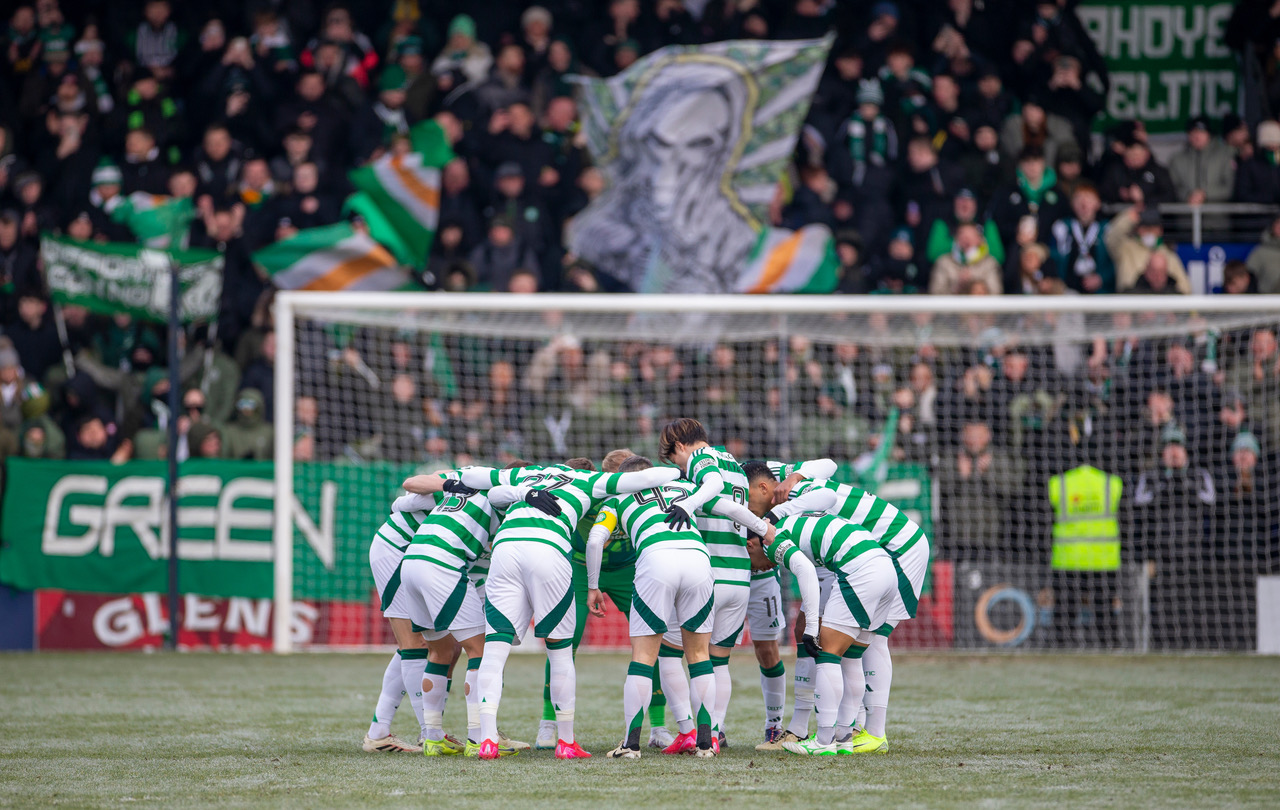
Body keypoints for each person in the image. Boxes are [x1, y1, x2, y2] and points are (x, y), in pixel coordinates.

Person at [459, 457, 681, 760]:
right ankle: (565, 741)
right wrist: (678, 470)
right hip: (549, 549)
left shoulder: (529, 473)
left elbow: (485, 484)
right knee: (561, 649)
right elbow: (652, 477)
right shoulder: (588, 481)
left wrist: (524, 493)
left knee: (494, 649)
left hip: (506, 548)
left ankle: (486, 740)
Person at [763, 460, 930, 753]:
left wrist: (794, 480)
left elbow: (828, 466)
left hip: (896, 545)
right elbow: (826, 467)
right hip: (860, 551)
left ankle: (870, 732)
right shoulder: (787, 483)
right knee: (836, 636)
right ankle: (838, 729)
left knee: (870, 638)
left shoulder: (784, 490)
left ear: (760, 486)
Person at [736, 462, 900, 757]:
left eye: (752, 563)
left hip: (859, 571)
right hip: (885, 567)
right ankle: (844, 739)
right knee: (852, 658)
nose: (757, 569)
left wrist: (812, 627)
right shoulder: (798, 512)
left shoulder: (772, 539)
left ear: (751, 545)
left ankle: (823, 741)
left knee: (827, 655)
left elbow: (807, 575)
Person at [1047, 459, 1124, 648]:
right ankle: (1112, 657)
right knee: (1105, 617)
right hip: (1104, 560)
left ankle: (1061, 656)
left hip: (1067, 559)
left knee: (1064, 618)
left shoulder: (1059, 483)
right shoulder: (1112, 483)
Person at [1104, 207, 1192, 294]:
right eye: (1145, 228)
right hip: (1131, 304)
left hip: (1161, 305)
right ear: (1137, 229)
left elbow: (1185, 289)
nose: (1149, 232)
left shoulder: (1169, 255)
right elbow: (1111, 238)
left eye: (1153, 228)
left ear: (1160, 231)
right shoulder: (1125, 249)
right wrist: (1128, 218)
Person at [1169, 115, 1236, 205]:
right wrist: (1188, 195)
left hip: (1217, 216)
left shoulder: (1225, 154)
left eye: (1201, 131)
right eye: (1192, 132)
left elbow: (1230, 188)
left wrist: (1205, 194)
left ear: (1209, 133)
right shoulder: (1177, 159)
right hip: (1186, 215)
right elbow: (1172, 189)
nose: (1196, 136)